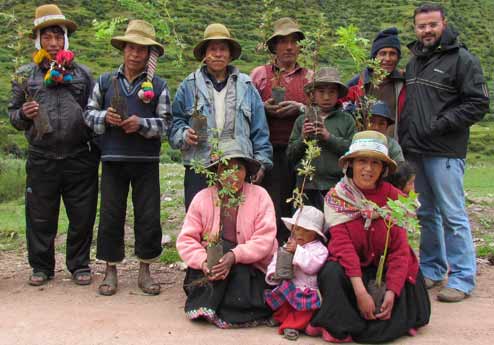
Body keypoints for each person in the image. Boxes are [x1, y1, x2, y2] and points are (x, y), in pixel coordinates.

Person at [398, 3, 490, 302]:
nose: (426, 31)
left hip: (446, 151)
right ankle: (432, 270)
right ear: (416, 28)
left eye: (432, 25)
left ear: (443, 24)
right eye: (421, 26)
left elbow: (477, 103)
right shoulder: (414, 62)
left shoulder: (462, 60)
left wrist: (440, 125)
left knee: (452, 214)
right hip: (417, 151)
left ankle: (462, 278)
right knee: (426, 213)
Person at [308, 131, 430, 343]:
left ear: (383, 169)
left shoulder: (394, 198)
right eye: (362, 161)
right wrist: (361, 292)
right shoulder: (337, 198)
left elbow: (400, 250)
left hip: (386, 270)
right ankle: (348, 322)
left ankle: (385, 316)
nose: (368, 168)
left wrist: (391, 291)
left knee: (409, 271)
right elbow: (342, 247)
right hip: (354, 271)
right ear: (350, 165)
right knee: (331, 271)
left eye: (375, 163)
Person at [8, 4, 99, 286]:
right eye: (47, 37)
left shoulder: (83, 74)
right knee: (40, 217)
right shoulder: (25, 76)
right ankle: (41, 267)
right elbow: (13, 115)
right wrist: (24, 113)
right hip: (42, 156)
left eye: (58, 37)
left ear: (65, 40)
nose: (53, 43)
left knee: (82, 216)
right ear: (38, 40)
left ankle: (79, 265)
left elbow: (94, 113)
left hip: (79, 157)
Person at [84, 20, 170, 296]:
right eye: (131, 48)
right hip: (113, 160)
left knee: (148, 216)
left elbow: (167, 124)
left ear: (148, 54)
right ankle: (110, 271)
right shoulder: (106, 81)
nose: (135, 54)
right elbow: (87, 113)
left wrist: (142, 124)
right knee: (110, 214)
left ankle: (145, 270)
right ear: (123, 50)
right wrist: (104, 118)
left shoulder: (158, 85)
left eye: (141, 49)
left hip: (146, 162)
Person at [170, 23, 272, 211]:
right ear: (204, 55)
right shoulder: (188, 85)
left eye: (223, 49)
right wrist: (184, 134)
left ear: (230, 54)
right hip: (199, 166)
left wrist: (262, 163)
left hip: (237, 165)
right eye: (213, 49)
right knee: (200, 219)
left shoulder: (247, 86)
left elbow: (260, 130)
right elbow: (174, 123)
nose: (218, 54)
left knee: (236, 220)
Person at [176, 141, 278, 328]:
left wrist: (234, 256)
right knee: (206, 273)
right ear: (216, 172)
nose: (232, 175)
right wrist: (204, 262)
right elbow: (186, 239)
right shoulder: (202, 198)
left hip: (248, 266)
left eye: (238, 168)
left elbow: (265, 238)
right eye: (225, 168)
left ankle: (221, 308)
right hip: (211, 266)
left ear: (247, 171)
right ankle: (216, 305)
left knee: (238, 278)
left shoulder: (260, 195)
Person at [250, 17, 312, 243]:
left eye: (293, 41)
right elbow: (246, 110)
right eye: (283, 42)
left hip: (302, 152)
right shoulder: (259, 75)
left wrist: (301, 108)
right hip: (271, 152)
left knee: (301, 205)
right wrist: (261, 108)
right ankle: (272, 253)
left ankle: (299, 255)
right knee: (273, 206)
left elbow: (322, 110)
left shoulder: (310, 77)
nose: (288, 47)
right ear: (274, 46)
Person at [287, 67, 355, 211]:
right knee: (304, 229)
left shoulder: (347, 120)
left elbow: (353, 152)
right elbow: (290, 155)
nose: (326, 97)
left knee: (334, 230)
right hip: (305, 186)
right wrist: (303, 139)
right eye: (321, 92)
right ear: (313, 94)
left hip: (337, 187)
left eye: (331, 92)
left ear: (338, 95)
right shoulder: (302, 120)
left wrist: (328, 137)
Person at [264, 206, 328, 341]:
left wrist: (297, 252)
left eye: (305, 231)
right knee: (285, 306)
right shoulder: (289, 244)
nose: (300, 234)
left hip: (307, 290)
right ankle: (280, 317)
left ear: (315, 234)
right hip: (290, 286)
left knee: (302, 312)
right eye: (297, 229)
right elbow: (277, 259)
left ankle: (291, 326)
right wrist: (274, 273)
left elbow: (313, 266)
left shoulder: (319, 250)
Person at [343, 27, 405, 138]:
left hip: (393, 145)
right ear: (374, 57)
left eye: (392, 53)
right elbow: (340, 104)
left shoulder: (403, 83)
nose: (388, 58)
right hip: (362, 144)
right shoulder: (358, 83)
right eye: (383, 53)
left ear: (398, 57)